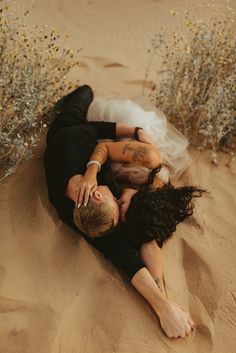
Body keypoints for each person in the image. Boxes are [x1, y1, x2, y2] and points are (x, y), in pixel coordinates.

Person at [44, 84, 197, 339]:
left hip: (74, 131)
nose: (116, 195)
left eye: (115, 201)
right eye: (117, 201)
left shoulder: (75, 146)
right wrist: (163, 306)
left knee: (86, 93)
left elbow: (100, 131)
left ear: (93, 193)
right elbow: (121, 252)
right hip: (71, 142)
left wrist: (135, 132)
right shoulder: (77, 213)